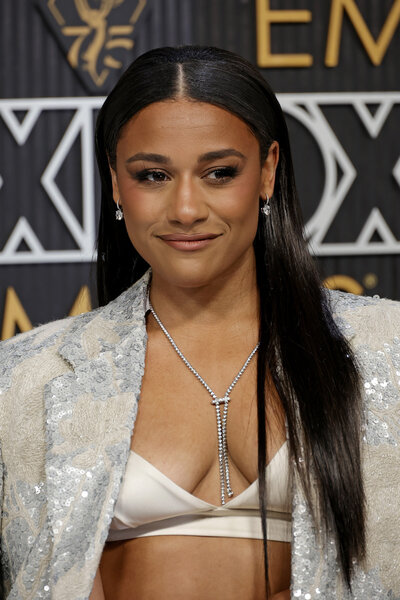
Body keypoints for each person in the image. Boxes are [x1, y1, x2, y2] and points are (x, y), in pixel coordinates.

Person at [0, 46, 399, 600]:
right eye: (154, 174)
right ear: (116, 184)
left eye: (219, 172)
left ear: (267, 171)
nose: (186, 208)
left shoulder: (387, 349)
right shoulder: (27, 377)